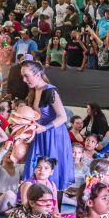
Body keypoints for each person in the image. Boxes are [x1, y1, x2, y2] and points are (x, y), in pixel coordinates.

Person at [20, 60, 74, 191]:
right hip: (40, 134)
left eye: (26, 76)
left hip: (53, 136)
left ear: (37, 74)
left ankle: (53, 204)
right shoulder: (33, 91)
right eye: (22, 76)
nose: (23, 80)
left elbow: (63, 117)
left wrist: (45, 128)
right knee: (35, 170)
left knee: (49, 172)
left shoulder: (50, 91)